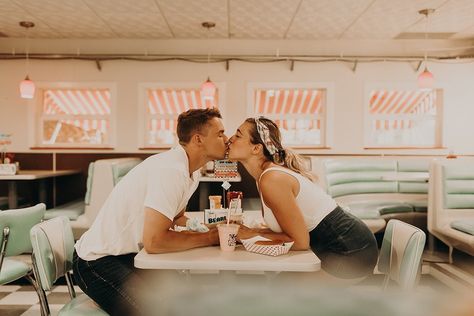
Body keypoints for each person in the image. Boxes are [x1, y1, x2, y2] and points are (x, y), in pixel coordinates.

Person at [73, 108, 228, 315]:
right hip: (96, 261)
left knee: (188, 299)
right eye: (220, 133)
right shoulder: (171, 170)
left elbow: (177, 218)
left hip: (129, 256)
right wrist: (209, 237)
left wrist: (205, 228)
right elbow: (154, 242)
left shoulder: (191, 171)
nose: (226, 139)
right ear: (198, 139)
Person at [227, 117, 378, 280]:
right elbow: (287, 233)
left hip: (351, 253)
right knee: (274, 284)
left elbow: (299, 242)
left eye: (238, 135)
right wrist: (248, 232)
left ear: (256, 148)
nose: (230, 139)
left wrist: (250, 234)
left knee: (277, 290)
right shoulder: (264, 177)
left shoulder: (272, 179)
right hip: (336, 247)